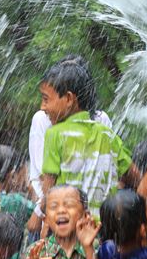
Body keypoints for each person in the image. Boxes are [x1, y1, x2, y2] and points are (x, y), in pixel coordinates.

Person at [32, 58, 132, 223]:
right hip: (102, 228)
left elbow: (49, 191)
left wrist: (37, 218)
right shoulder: (106, 133)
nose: (42, 107)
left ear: (69, 99)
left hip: (69, 228)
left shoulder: (55, 134)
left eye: (46, 99)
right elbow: (133, 174)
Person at [28, 55, 112, 202]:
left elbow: (109, 169)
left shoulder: (100, 120)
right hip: (54, 204)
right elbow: (44, 177)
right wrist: (42, 212)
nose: (43, 106)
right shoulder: (43, 119)